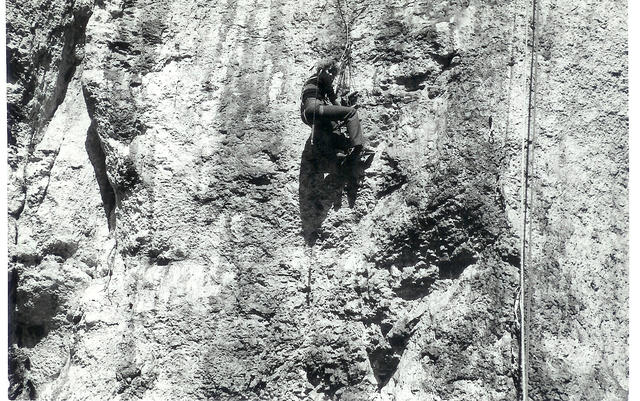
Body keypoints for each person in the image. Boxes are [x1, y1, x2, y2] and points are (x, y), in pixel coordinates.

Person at [300, 58, 367, 164]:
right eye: (329, 71)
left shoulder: (311, 80)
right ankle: (358, 145)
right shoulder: (322, 78)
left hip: (306, 116)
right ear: (322, 69)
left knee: (333, 126)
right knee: (351, 112)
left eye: (333, 74)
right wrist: (344, 109)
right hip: (315, 108)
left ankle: (338, 153)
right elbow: (334, 101)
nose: (331, 75)